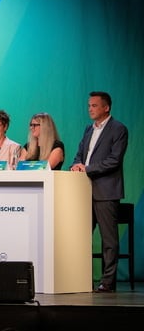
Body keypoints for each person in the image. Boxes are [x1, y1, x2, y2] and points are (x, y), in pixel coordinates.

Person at [70, 91, 128, 293]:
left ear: (106, 107)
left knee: (108, 240)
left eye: (94, 105)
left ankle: (107, 282)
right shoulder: (88, 129)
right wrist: (76, 165)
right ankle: (78, 278)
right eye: (89, 105)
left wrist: (87, 168)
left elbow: (114, 160)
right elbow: (80, 153)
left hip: (106, 192)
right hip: (84, 191)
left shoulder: (118, 129)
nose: (90, 109)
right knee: (79, 236)